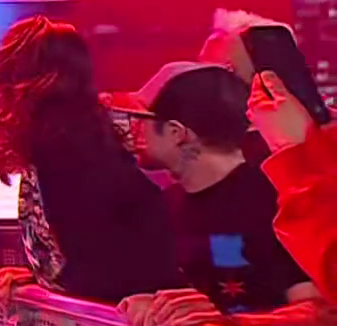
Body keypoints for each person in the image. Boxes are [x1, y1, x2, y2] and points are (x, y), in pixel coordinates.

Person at [0, 16, 179, 303]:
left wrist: (56, 282)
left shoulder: (67, 143)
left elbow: (97, 244)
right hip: (114, 301)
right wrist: (44, 276)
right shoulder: (70, 134)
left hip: (120, 307)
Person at [110, 62, 317, 313]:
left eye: (142, 121)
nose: (134, 131)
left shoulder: (278, 202)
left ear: (176, 132)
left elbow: (317, 313)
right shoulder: (162, 205)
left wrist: (225, 325)